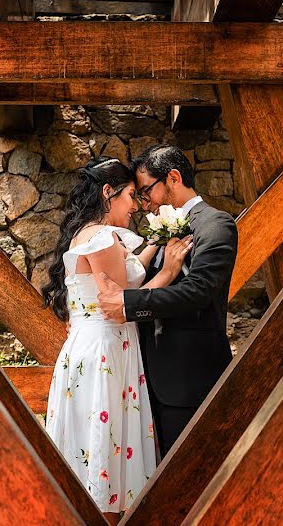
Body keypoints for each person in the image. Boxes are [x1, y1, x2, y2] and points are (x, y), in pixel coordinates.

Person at [41, 156, 193, 524]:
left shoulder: (92, 235)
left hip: (99, 346)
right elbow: (124, 301)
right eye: (129, 195)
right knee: (105, 445)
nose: (136, 205)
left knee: (100, 442)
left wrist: (156, 241)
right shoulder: (101, 238)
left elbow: (129, 272)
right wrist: (171, 271)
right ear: (108, 193)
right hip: (105, 352)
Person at [97, 145, 237, 457]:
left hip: (189, 380)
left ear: (172, 178)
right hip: (148, 380)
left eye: (146, 192)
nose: (144, 205)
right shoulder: (159, 232)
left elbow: (199, 290)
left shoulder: (215, 224)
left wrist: (129, 304)